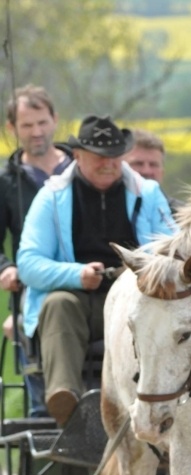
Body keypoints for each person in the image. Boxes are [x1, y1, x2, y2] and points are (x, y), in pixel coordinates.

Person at [17, 115, 174, 425]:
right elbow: (29, 264)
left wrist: (139, 271)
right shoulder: (51, 197)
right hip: (79, 300)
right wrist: (77, 275)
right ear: (78, 156)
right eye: (100, 157)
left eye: (115, 156)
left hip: (135, 297)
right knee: (58, 304)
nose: (109, 163)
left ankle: (157, 400)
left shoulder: (148, 193)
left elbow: (172, 250)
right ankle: (66, 400)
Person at [0, 84, 74, 417]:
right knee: (42, 395)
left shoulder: (79, 170)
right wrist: (6, 268)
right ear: (11, 129)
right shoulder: (6, 181)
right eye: (27, 125)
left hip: (86, 281)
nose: (37, 132)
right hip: (33, 291)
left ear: (55, 120)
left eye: (42, 122)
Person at [123, 128, 182, 213]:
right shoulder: (105, 214)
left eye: (153, 165)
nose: (146, 171)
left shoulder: (182, 217)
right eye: (138, 163)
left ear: (162, 172)